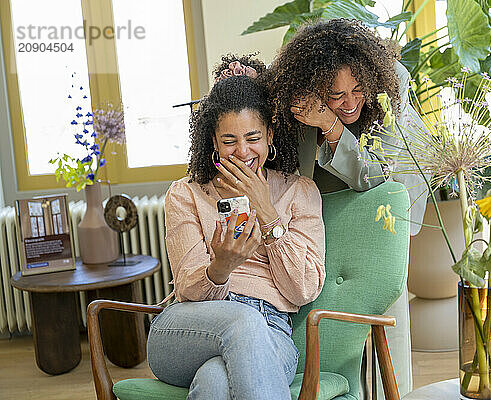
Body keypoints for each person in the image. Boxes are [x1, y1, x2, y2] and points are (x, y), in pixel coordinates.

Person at [147, 60, 326, 400]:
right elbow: (188, 287)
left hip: (271, 330)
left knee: (214, 381)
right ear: (213, 141)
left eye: (252, 138)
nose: (242, 152)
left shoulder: (299, 192)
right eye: (229, 140)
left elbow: (304, 289)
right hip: (189, 325)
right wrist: (220, 268)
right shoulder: (186, 194)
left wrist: (268, 213)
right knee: (242, 322)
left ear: (270, 136)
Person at [264, 18, 428, 235]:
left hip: (387, 198)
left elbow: (375, 176)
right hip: (324, 199)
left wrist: (328, 123)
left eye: (359, 89)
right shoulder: (297, 89)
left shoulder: (392, 81)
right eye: (336, 95)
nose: (350, 104)